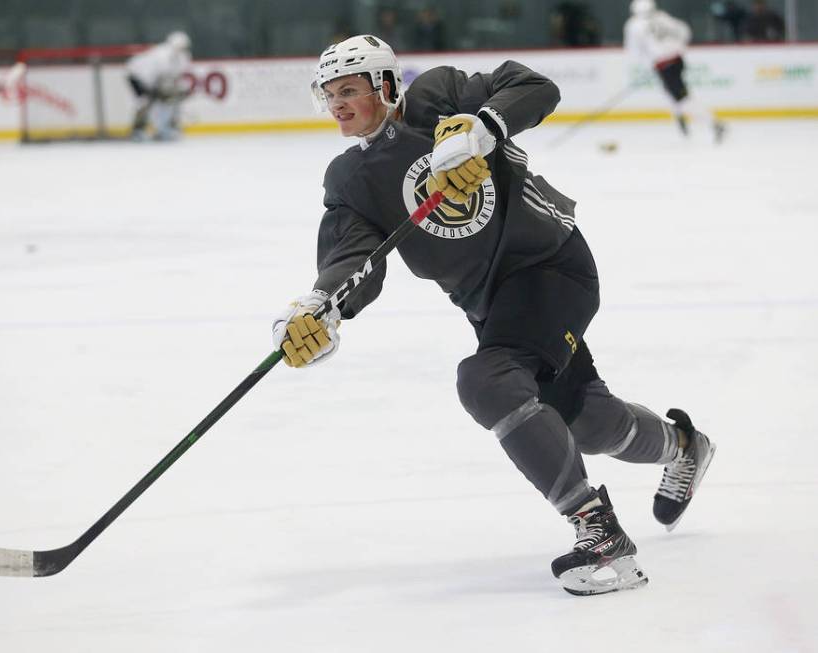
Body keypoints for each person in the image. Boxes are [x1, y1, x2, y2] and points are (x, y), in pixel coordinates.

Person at [272, 34, 717, 596]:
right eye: (328, 94)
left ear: (385, 85)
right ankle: (685, 446)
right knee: (586, 421)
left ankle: (599, 536)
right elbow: (352, 259)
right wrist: (322, 307)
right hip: (494, 309)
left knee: (487, 380)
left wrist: (480, 127)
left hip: (551, 266)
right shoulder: (352, 179)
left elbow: (534, 87)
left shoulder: (439, 97)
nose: (336, 104)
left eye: (348, 90)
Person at [624, 0, 727, 143]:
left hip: (664, 65)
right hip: (677, 61)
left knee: (683, 98)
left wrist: (649, 62)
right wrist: (678, 47)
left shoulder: (634, 24)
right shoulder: (661, 16)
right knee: (671, 93)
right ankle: (680, 116)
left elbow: (634, 51)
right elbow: (684, 30)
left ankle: (714, 123)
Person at [125, 31, 192, 141]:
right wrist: (153, 90)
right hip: (137, 75)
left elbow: (176, 77)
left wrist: (180, 89)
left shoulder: (183, 57)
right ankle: (138, 130)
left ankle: (166, 128)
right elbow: (152, 75)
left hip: (153, 80)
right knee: (145, 101)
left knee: (167, 101)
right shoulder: (161, 54)